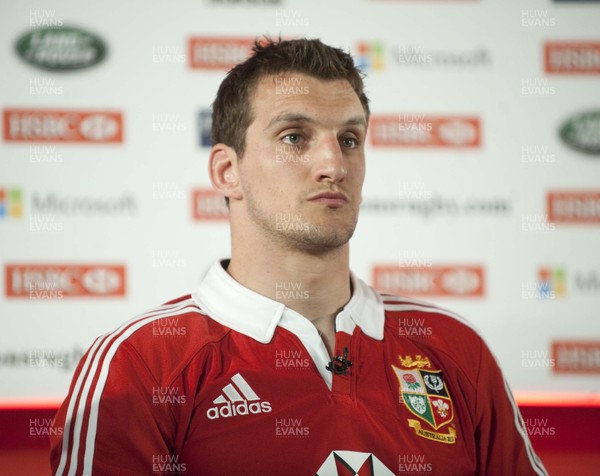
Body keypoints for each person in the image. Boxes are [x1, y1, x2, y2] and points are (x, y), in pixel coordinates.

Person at [50, 38, 547, 475]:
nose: (333, 165)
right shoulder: (141, 364)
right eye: (294, 137)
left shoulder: (456, 348)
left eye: (349, 140)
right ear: (227, 171)